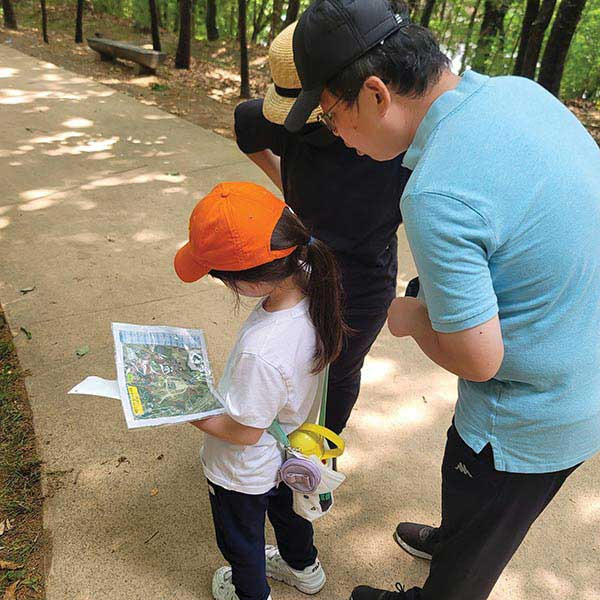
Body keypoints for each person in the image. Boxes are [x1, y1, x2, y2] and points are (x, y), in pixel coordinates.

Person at [285, 1, 600, 599]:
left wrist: (408, 320)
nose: (338, 137)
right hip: (584, 355)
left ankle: (449, 579)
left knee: (478, 525)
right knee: (474, 505)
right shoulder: (516, 92)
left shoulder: (435, 194)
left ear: (376, 95)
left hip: (533, 417)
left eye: (331, 117)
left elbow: (479, 359)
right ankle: (457, 535)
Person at [234, 21, 412, 435]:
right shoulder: (285, 120)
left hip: (363, 281)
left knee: (341, 369)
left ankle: (315, 458)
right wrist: (293, 194)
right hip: (302, 266)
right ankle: (273, 440)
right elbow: (246, 127)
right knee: (291, 356)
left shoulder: (401, 145)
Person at [174, 181, 347, 600]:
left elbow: (245, 431)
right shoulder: (312, 277)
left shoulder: (262, 352)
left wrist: (185, 408)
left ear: (250, 282)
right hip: (288, 446)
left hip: (243, 468)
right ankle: (304, 568)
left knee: (240, 540)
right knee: (289, 515)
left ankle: (252, 592)